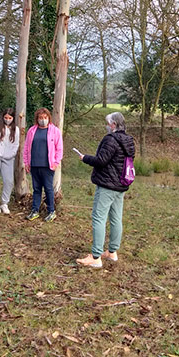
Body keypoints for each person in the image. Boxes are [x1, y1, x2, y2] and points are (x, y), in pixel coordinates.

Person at [76, 112, 135, 268]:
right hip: (121, 185)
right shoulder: (129, 140)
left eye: (107, 123)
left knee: (98, 218)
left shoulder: (110, 140)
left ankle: (96, 257)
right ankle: (112, 252)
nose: (106, 126)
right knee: (116, 218)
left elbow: (101, 160)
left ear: (113, 124)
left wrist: (85, 158)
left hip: (107, 185)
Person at [22, 108, 63, 222]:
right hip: (34, 165)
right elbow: (26, 148)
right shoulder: (32, 131)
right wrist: (26, 162)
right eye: (41, 118)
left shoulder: (54, 131)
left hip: (47, 166)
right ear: (37, 119)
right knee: (36, 189)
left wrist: (56, 162)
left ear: (49, 118)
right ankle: (35, 210)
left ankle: (51, 211)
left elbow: (59, 148)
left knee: (48, 188)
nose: (43, 120)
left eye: (45, 118)